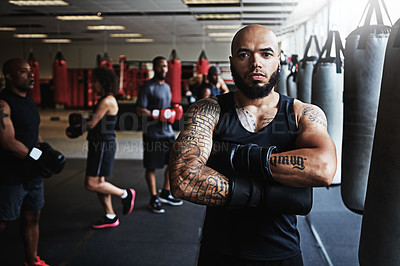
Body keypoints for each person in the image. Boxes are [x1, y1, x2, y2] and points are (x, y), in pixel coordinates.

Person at [168, 24, 337, 265]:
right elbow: (183, 180)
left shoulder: (303, 114)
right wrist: (273, 192)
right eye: (244, 54)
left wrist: (231, 157)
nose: (255, 62)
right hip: (220, 253)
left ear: (278, 61)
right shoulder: (208, 111)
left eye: (265, 54)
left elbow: (323, 168)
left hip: (283, 253)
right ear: (232, 61)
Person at [0, 58, 65, 266]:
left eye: (31, 71)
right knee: (2, 221)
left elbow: (33, 135)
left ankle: (31, 261)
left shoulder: (29, 101)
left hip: (32, 175)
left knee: (32, 217)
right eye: (23, 72)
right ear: (9, 76)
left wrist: (46, 151)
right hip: (10, 175)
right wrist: (38, 158)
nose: (31, 75)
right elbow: (8, 142)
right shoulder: (3, 103)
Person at [67, 67, 136, 229]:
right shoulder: (105, 99)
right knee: (100, 182)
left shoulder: (107, 101)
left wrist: (77, 129)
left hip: (103, 145)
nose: (93, 84)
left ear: (103, 82)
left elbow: (92, 123)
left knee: (91, 184)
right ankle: (110, 216)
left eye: (95, 81)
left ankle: (125, 194)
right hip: (100, 143)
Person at [136, 56, 183, 214]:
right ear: (154, 68)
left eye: (165, 66)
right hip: (153, 134)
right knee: (151, 167)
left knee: (173, 163)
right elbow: (139, 110)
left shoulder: (168, 87)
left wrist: (172, 112)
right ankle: (153, 197)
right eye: (160, 66)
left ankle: (165, 191)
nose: (163, 69)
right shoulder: (148, 87)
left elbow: (167, 107)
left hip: (167, 133)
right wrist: (157, 114)